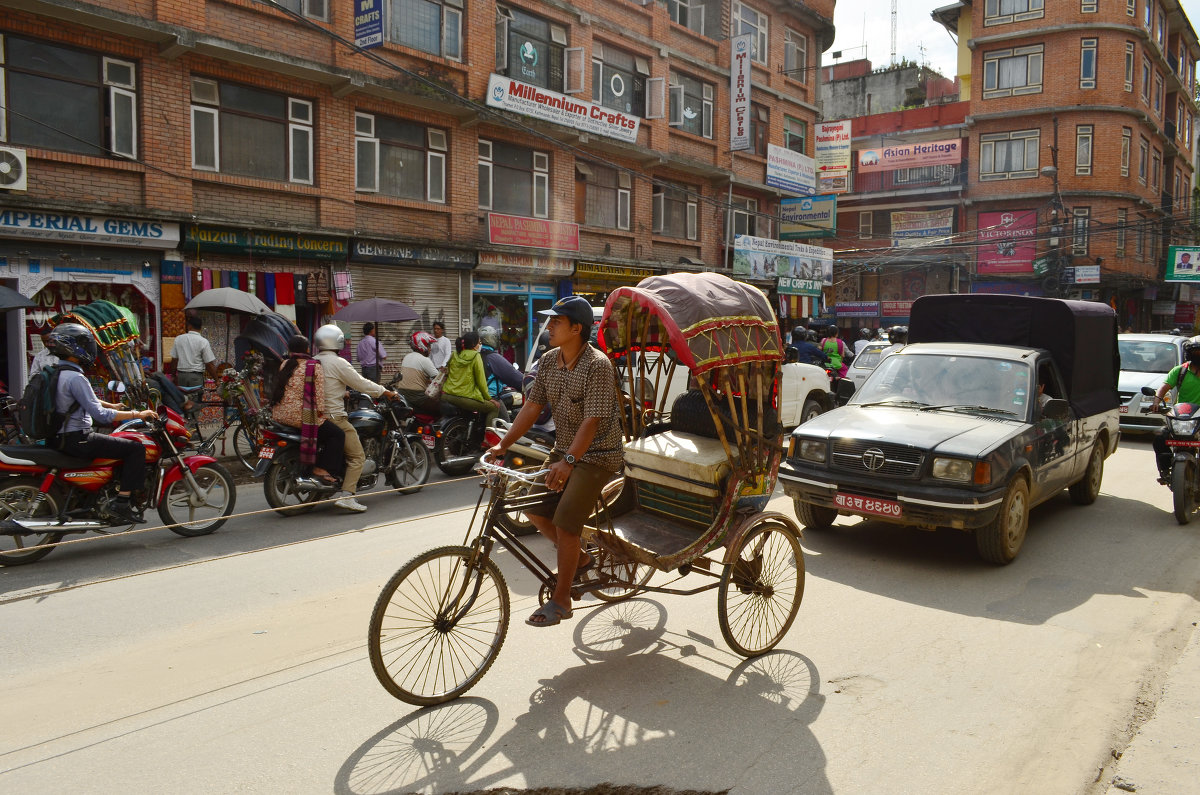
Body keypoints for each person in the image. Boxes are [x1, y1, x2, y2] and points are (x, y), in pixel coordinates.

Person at [486, 295, 623, 628]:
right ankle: (583, 558)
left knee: (565, 524)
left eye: (556, 322)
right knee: (529, 505)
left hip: (598, 455)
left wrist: (570, 461)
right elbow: (532, 408)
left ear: (576, 329)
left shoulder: (597, 365)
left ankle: (561, 600)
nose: (549, 327)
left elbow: (591, 422)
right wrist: (503, 445)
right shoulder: (549, 361)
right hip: (565, 450)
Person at [48, 323, 157, 524]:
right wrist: (139, 414)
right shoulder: (76, 377)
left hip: (60, 437)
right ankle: (122, 503)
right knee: (135, 449)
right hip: (78, 439)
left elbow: (86, 401)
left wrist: (113, 405)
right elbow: (101, 415)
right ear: (74, 349)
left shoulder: (58, 373)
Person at [313, 324, 400, 512]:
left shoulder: (314, 361)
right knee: (357, 456)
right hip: (334, 416)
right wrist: (384, 392)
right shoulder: (338, 362)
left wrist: (342, 393)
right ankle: (347, 496)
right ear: (337, 341)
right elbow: (360, 383)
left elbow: (325, 386)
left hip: (314, 416)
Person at [268, 335, 345, 487]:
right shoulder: (313, 365)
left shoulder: (284, 364)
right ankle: (322, 468)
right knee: (337, 434)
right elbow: (319, 394)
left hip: (280, 415)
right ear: (308, 349)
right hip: (301, 417)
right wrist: (321, 412)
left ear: (289, 349)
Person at [1151, 335, 1200, 481]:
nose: (1198, 356)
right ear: (1189, 354)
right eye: (1195, 352)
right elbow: (1164, 387)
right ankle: (1165, 471)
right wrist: (1156, 401)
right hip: (1183, 416)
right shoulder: (1180, 371)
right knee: (1160, 438)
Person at [442, 330, 503, 428]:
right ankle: (488, 440)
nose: (480, 345)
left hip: (447, 395)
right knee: (494, 408)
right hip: (463, 397)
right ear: (474, 344)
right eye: (479, 343)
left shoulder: (454, 354)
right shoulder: (476, 356)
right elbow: (481, 382)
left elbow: (447, 372)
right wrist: (489, 398)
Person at [477, 325, 524, 421]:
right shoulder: (493, 357)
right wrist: (525, 382)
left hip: (474, 395)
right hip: (490, 397)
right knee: (505, 425)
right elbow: (512, 375)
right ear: (490, 339)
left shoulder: (476, 354)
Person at [170, 314, 219, 389]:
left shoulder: (178, 339)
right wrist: (216, 380)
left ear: (189, 326)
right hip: (196, 377)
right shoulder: (203, 341)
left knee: (183, 399)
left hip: (181, 377)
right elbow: (209, 363)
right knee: (196, 399)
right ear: (200, 328)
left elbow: (174, 359)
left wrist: (173, 375)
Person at [394, 331, 440, 409]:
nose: (430, 349)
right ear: (422, 345)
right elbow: (439, 379)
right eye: (428, 345)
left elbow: (416, 376)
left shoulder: (407, 356)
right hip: (417, 397)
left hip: (402, 393)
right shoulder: (424, 360)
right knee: (443, 406)